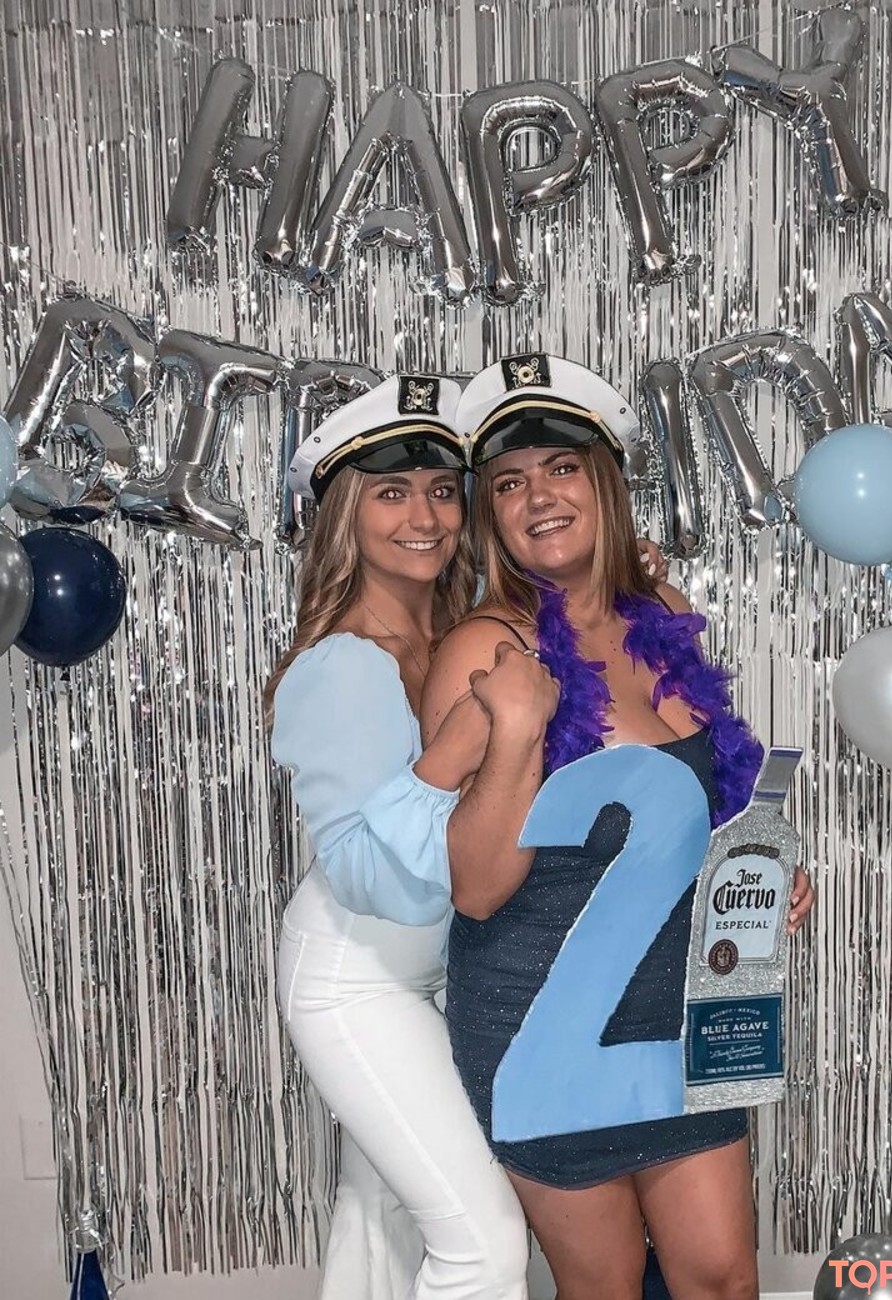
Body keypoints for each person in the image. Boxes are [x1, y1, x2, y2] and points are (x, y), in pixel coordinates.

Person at [423, 353, 817, 1300]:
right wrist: (519, 725)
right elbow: (475, 888)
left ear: (604, 483)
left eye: (562, 468)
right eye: (509, 483)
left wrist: (755, 874)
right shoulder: (486, 647)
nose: (538, 498)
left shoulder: (663, 617)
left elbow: (704, 801)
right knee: (602, 1290)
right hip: (547, 1020)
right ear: (491, 513)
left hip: (680, 1009)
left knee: (722, 1282)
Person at [264, 373, 558, 1300]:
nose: (424, 516)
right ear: (346, 516)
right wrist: (453, 752)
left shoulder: (457, 637)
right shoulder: (343, 665)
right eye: (391, 492)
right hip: (356, 977)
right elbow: (365, 876)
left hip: (436, 972)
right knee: (486, 1245)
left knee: (386, 1231)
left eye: (441, 490)